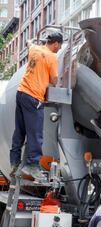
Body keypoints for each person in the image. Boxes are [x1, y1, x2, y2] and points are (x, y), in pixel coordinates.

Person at [10, 32, 63, 182]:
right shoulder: (52, 57)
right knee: (35, 134)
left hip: (21, 93)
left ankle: (14, 160)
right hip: (34, 97)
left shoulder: (34, 49)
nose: (58, 49)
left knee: (20, 130)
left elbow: (29, 44)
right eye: (59, 47)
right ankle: (32, 165)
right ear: (56, 44)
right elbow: (53, 80)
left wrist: (29, 41)